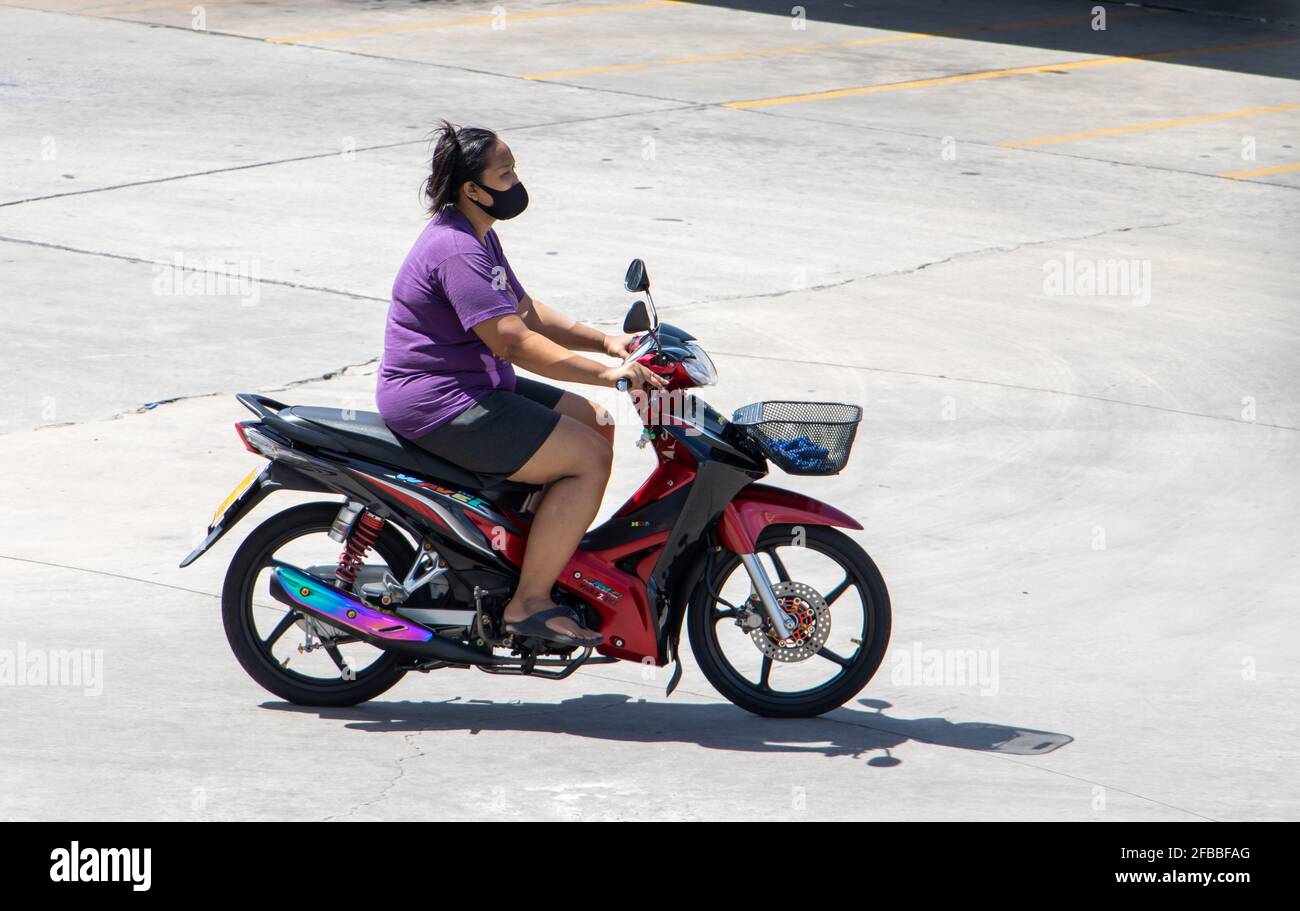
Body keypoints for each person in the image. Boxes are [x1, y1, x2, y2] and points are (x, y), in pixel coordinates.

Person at [376, 120, 666, 648]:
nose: (517, 182)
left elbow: (525, 311)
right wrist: (608, 376)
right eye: (506, 173)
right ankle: (527, 602)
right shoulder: (457, 250)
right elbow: (511, 340)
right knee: (588, 460)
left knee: (594, 422)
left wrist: (607, 343)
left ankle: (522, 552)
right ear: (472, 189)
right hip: (439, 400)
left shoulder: (475, 234)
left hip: (473, 384)